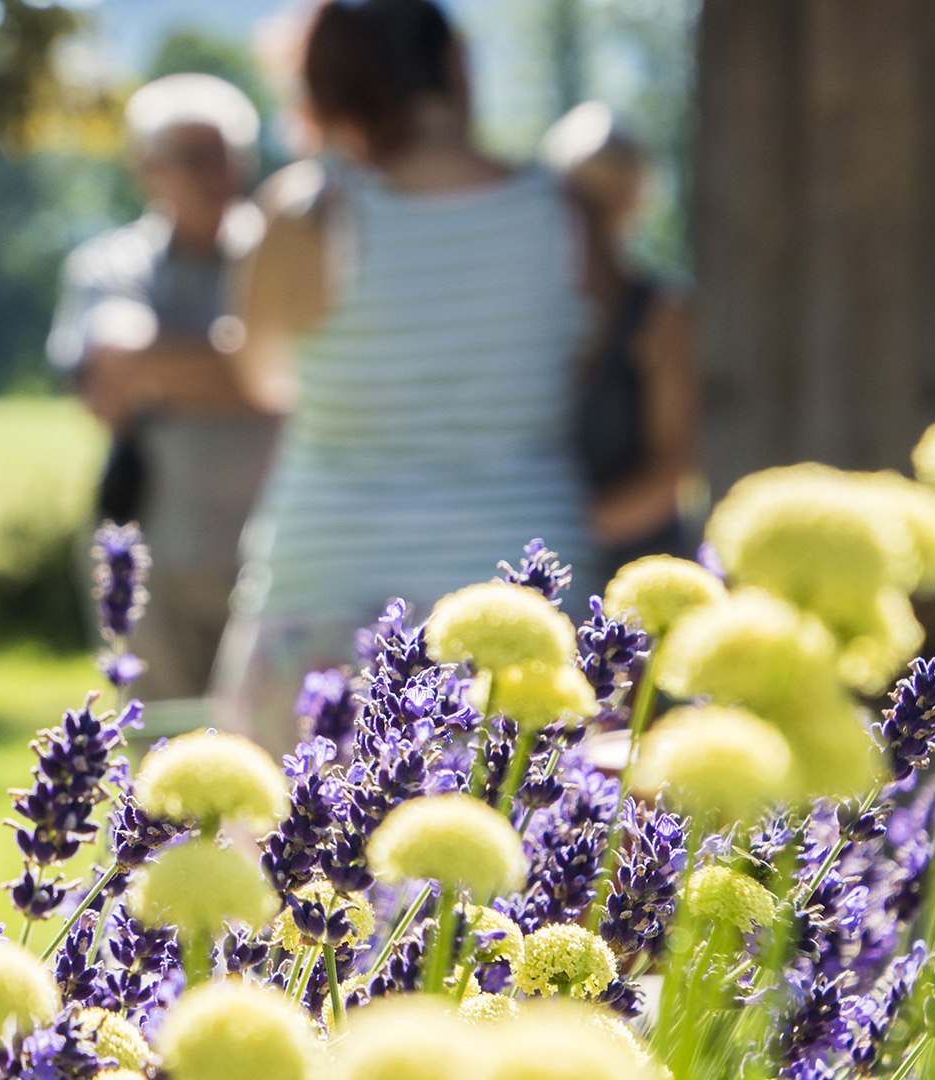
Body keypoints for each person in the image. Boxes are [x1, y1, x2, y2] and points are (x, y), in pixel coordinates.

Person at [216, 0, 596, 751]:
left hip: (323, 580)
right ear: (456, 64)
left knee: (300, 858)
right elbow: (587, 371)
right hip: (520, 590)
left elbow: (262, 376)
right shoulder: (564, 211)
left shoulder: (307, 213)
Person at [47, 73, 278, 703]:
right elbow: (112, 374)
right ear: (148, 168)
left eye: (228, 158)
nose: (217, 175)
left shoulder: (282, 256)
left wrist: (165, 375)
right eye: (194, 158)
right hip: (151, 561)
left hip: (275, 557)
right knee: (161, 761)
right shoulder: (112, 263)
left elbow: (303, 380)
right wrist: (249, 369)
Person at [542, 101, 700, 576]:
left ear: (633, 201)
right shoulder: (532, 317)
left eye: (603, 199)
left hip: (638, 583)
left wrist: (552, 536)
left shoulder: (662, 316)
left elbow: (674, 470)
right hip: (542, 578)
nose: (586, 217)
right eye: (576, 197)